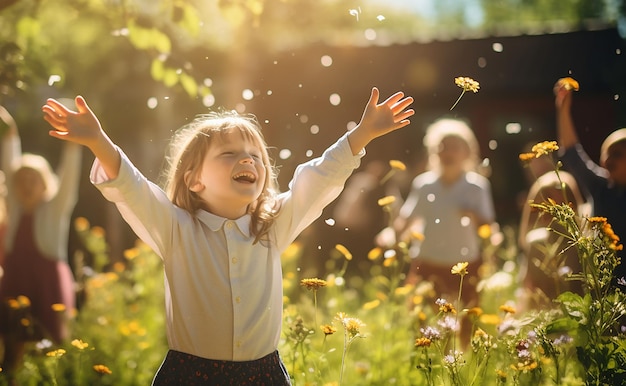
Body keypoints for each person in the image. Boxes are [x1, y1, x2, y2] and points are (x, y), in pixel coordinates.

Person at [41, 87, 414, 384]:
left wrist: (363, 133)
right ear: (194, 179)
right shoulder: (175, 229)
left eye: (255, 155)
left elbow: (316, 181)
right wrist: (97, 141)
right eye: (229, 153)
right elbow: (133, 188)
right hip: (189, 377)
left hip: (263, 375)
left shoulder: (272, 227)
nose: (248, 159)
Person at [386, 118, 495, 345]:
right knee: (423, 323)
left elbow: (488, 227)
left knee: (466, 324)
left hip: (466, 267)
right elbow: (407, 219)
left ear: (468, 153)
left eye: (455, 146)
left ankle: (462, 372)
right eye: (442, 146)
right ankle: (428, 369)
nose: (447, 152)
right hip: (427, 263)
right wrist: (391, 232)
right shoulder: (424, 184)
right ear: (433, 153)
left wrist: (473, 216)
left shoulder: (477, 187)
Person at [0, 105, 80, 381]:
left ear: (46, 184)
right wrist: (9, 133)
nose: (26, 185)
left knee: (50, 344)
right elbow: (9, 161)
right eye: (21, 180)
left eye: (33, 179)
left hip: (47, 283)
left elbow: (69, 177)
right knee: (12, 340)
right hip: (15, 280)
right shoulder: (16, 208)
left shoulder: (55, 209)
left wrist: (73, 142)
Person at [554, 77, 626, 282]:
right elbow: (572, 153)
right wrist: (563, 110)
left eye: (619, 154)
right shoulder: (601, 187)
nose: (610, 159)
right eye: (607, 153)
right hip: (602, 283)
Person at [517, 159, 590, 309]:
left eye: (562, 199)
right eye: (546, 197)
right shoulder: (535, 241)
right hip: (545, 312)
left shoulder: (586, 242)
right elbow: (528, 288)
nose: (554, 205)